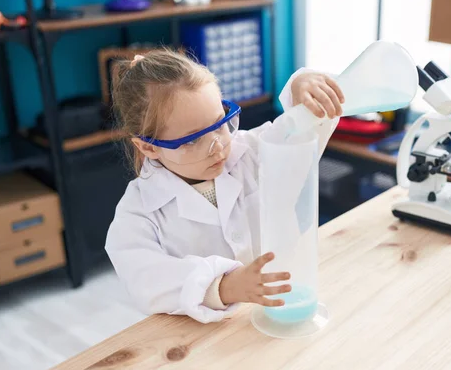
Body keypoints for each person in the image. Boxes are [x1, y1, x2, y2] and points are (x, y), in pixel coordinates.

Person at [106, 48, 344, 323]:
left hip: (281, 311)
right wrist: (225, 286)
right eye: (193, 140)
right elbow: (145, 280)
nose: (217, 146)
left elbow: (301, 126)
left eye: (220, 124)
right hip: (202, 341)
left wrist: (305, 87)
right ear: (149, 147)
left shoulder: (253, 151)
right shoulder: (138, 212)